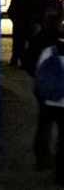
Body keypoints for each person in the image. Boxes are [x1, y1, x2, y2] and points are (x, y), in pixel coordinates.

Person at [33, 33, 64, 183]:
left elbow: (38, 73)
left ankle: (42, 161)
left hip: (48, 100)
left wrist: (40, 96)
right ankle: (60, 174)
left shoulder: (49, 51)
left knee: (43, 129)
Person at [9, 0, 43, 67]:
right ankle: (27, 62)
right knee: (31, 44)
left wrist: (15, 20)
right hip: (31, 24)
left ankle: (15, 60)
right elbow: (41, 12)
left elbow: (11, 11)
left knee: (17, 43)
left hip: (20, 23)